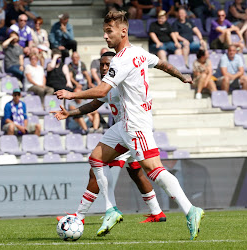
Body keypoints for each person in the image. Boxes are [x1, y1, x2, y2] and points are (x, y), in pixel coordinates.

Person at [55, 10, 204, 240]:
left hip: (136, 123)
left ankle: (190, 209)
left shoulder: (122, 59)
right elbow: (163, 64)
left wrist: (71, 94)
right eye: (104, 31)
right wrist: (182, 76)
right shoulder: (140, 52)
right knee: (95, 158)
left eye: (109, 31)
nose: (105, 36)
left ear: (123, 31)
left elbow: (102, 91)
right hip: (124, 124)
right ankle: (111, 209)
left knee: (153, 169)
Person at [53, 51, 166, 223]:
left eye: (108, 64)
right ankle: (157, 212)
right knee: (136, 172)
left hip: (128, 132)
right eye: (101, 65)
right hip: (126, 134)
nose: (104, 68)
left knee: (96, 169)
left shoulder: (123, 82)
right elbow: (93, 104)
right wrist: (70, 113)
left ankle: (81, 216)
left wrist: (72, 95)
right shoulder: (108, 86)